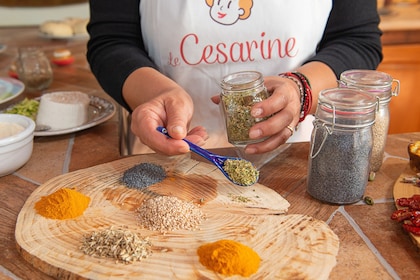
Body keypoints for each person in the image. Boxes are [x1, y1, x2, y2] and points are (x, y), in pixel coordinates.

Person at [87, 0, 382, 157]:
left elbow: (357, 41)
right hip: (167, 154)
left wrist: (301, 89)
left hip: (297, 155)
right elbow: (112, 42)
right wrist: (158, 93)